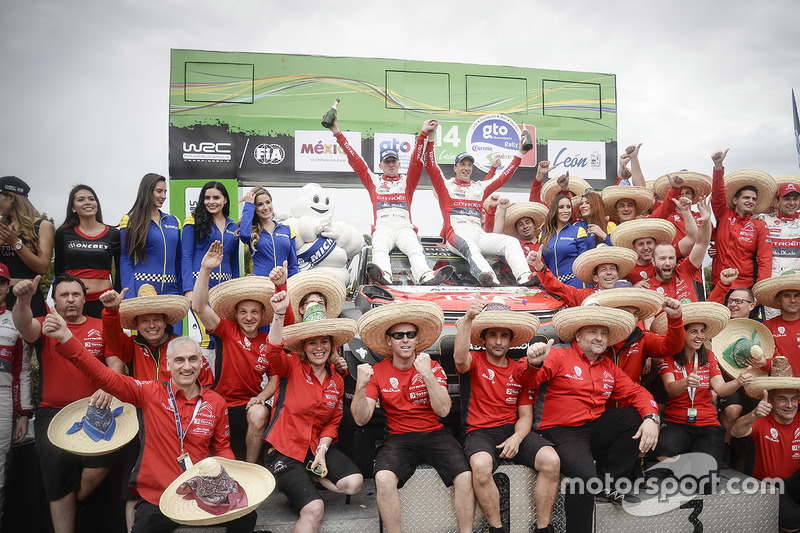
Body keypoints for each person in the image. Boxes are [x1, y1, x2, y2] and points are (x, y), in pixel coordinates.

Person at [42, 317, 256, 533]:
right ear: (168, 364)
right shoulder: (149, 393)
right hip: (158, 496)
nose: (187, 366)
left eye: (193, 359)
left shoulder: (215, 402)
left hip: (200, 492)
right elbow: (104, 376)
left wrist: (230, 479)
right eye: (179, 360)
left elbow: (222, 447)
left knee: (247, 517)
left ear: (201, 362)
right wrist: (67, 338)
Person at [524, 305, 660, 533]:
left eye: (604, 333)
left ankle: (609, 482)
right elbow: (527, 381)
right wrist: (533, 362)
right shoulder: (557, 354)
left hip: (592, 427)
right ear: (578, 335)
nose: (599, 337)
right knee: (584, 477)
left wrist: (652, 418)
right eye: (593, 332)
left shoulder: (608, 366)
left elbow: (637, 392)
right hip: (560, 430)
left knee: (634, 415)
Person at [12, 273, 125, 533]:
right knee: (56, 475)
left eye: (76, 294)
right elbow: (25, 326)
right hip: (52, 413)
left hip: (97, 411)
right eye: (64, 295)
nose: (70, 299)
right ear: (55, 300)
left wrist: (110, 385)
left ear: (85, 299)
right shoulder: (47, 325)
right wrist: (23, 301)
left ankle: (77, 498)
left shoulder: (101, 326)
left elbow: (116, 364)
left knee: (101, 463)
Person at [352, 301, 474, 533]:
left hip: (434, 433)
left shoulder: (433, 366)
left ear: (417, 339)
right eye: (398, 335)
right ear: (389, 341)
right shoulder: (377, 372)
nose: (405, 339)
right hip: (399, 437)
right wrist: (360, 387)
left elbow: (444, 410)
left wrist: (426, 373)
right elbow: (361, 419)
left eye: (410, 334)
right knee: (384, 479)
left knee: (465, 475)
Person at [454, 295, 559, 533]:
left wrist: (516, 438)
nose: (499, 341)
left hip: (513, 431)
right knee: (480, 465)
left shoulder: (519, 369)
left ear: (511, 341)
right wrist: (469, 318)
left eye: (504, 336)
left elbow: (525, 417)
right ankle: (497, 529)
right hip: (478, 431)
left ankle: (544, 528)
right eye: (493, 335)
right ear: (484, 338)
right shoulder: (474, 361)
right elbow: (460, 359)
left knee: (552, 461)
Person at [264, 290, 363, 532]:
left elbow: (333, 423)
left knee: (355, 483)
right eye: (312, 342)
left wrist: (321, 452)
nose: (318, 348)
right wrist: (278, 314)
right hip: (284, 451)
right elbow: (273, 352)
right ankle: (301, 479)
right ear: (304, 346)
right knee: (314, 508)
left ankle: (314, 475)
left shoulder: (336, 381)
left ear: (331, 345)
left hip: (315, 449)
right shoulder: (290, 366)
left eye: (324, 341)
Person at [330, 118, 452, 286]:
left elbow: (417, 162)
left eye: (394, 161)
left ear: (399, 163)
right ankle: (384, 276)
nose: (391, 164)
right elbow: (355, 160)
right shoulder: (374, 181)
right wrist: (336, 131)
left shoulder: (406, 182)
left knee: (415, 248)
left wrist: (423, 134)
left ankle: (424, 275)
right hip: (383, 226)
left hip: (404, 227)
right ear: (380, 165)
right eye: (387, 162)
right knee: (379, 247)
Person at [192, 241, 278, 463]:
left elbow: (275, 379)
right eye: (243, 312)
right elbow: (199, 306)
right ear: (236, 314)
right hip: (219, 403)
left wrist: (260, 397)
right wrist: (206, 269)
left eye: (254, 312)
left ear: (261, 315)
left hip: (249, 404)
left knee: (260, 413)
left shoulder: (268, 342)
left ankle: (251, 470)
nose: (249, 317)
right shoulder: (226, 330)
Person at [424, 122, 537, 287]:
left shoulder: (479, 187)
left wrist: (520, 153)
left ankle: (524, 276)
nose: (466, 168)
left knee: (511, 242)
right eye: (462, 164)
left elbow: (503, 177)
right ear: (455, 168)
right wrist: (431, 138)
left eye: (469, 165)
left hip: (479, 234)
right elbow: (431, 166)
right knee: (470, 247)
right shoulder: (446, 186)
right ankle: (489, 277)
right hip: (456, 234)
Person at [652, 302, 751, 473]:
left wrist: (738, 381)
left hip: (707, 425)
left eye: (702, 331)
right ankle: (687, 466)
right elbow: (670, 389)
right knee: (663, 451)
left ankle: (694, 466)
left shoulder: (709, 356)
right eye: (693, 331)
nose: (700, 336)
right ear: (681, 334)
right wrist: (686, 382)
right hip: (677, 423)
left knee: (707, 482)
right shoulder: (667, 357)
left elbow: (720, 389)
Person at [731, 362, 800, 531]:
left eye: (794, 399)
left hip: (794, 480)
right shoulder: (760, 419)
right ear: (770, 400)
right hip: (766, 485)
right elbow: (735, 431)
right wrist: (753, 414)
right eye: (783, 399)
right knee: (792, 520)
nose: (789, 405)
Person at [181, 181, 239, 347]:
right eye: (207, 198)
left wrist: (235, 289)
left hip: (225, 290)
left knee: (226, 335)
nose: (211, 201)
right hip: (201, 286)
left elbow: (234, 261)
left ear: (225, 200)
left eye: (216, 197)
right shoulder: (193, 221)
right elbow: (185, 256)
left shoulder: (233, 226)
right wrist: (189, 289)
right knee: (206, 337)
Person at [710, 148, 775, 288]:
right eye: (746, 197)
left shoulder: (760, 226)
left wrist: (760, 289)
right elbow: (717, 194)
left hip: (745, 287)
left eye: (754, 199)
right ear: (735, 200)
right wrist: (718, 167)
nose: (750, 201)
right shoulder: (723, 214)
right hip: (719, 283)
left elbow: (765, 259)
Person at [54, 184, 121, 319]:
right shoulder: (63, 232)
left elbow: (120, 269)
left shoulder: (114, 233)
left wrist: (117, 296)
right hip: (72, 301)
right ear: (73, 208)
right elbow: (59, 270)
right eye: (81, 200)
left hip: (104, 299)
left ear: (97, 204)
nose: (87, 202)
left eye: (91, 199)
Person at [0, 263, 32, 523]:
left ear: (7, 287)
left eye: (1, 282)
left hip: (3, 402)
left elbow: (22, 372)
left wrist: (24, 413)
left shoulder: (16, 321)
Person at [0, 176, 54, 318]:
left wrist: (16, 243)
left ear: (11, 197)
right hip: (2, 298)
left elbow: (42, 268)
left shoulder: (43, 226)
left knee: (31, 339)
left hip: (28, 296)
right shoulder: (1, 227)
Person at [528, 245, 639, 306]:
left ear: (618, 275)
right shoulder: (585, 295)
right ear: (595, 277)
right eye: (604, 269)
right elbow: (559, 288)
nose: (609, 272)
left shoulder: (627, 295)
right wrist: (539, 266)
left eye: (612, 269)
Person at [238, 186, 298, 278]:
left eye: (268, 202)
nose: (265, 207)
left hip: (283, 283)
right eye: (260, 204)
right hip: (260, 283)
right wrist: (248, 205)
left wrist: (292, 284)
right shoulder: (251, 231)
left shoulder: (288, 230)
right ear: (254, 208)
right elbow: (244, 235)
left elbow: (293, 265)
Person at [761, 179, 800, 319]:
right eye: (787, 199)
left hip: (796, 285)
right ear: (777, 202)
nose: (791, 203)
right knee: (773, 324)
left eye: (795, 198)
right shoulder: (763, 220)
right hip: (772, 286)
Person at [538, 192, 590, 288]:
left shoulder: (578, 231)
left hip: (574, 283)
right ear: (554, 210)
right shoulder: (543, 234)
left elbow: (585, 263)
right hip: (551, 284)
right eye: (561, 207)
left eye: (568, 207)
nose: (566, 210)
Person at [754, 272, 800, 374]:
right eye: (787, 296)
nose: (793, 300)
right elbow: (764, 359)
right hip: (780, 388)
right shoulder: (766, 327)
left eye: (797, 295)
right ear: (778, 300)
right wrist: (765, 364)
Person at [610, 218, 676, 286]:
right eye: (641, 244)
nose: (646, 248)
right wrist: (633, 287)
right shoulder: (628, 269)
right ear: (634, 248)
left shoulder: (667, 261)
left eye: (649, 243)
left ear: (655, 244)